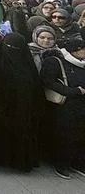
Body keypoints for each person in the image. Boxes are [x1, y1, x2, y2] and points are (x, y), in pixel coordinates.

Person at [0, 31, 44, 172]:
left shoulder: (27, 65)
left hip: (20, 108)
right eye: (9, 46)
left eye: (15, 48)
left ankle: (17, 160)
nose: (11, 50)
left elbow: (34, 87)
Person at [40, 39, 85, 179]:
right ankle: (61, 163)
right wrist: (73, 91)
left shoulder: (82, 64)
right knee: (64, 135)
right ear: (75, 50)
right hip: (64, 106)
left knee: (80, 135)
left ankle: (76, 163)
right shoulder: (56, 61)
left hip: (81, 106)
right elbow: (48, 81)